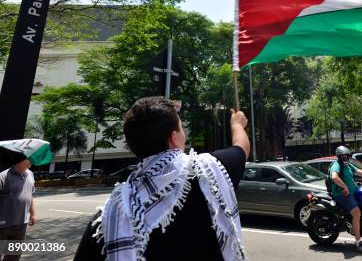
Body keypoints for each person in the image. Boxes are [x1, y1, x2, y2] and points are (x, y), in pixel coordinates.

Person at [74, 96, 250, 261]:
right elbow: (241, 148)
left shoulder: (108, 218)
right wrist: (237, 124)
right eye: (181, 129)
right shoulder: (207, 172)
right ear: (174, 138)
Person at [329, 145, 362, 254]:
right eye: (343, 156)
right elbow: (334, 177)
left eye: (347, 155)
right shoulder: (336, 165)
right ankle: (358, 243)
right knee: (357, 214)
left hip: (352, 192)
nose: (345, 157)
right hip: (342, 194)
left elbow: (360, 172)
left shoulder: (348, 165)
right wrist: (345, 187)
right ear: (338, 157)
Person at [0, 158, 36, 261]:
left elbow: (30, 195)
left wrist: (32, 214)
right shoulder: (3, 176)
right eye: (28, 158)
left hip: (21, 224)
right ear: (19, 159)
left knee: (14, 255)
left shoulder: (30, 174)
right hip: (3, 225)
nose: (31, 160)